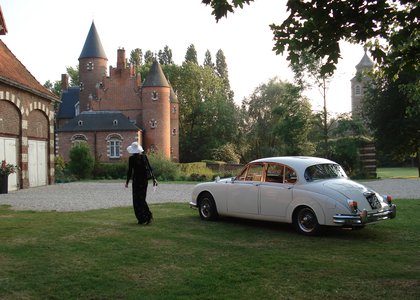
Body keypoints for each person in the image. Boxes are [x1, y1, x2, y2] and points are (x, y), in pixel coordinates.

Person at [125, 142, 157, 224]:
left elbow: (130, 171)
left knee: (136, 200)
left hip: (136, 181)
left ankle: (141, 218)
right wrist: (154, 178)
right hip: (143, 181)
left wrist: (127, 182)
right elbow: (150, 168)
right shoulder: (144, 157)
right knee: (142, 199)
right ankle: (147, 216)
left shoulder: (131, 159)